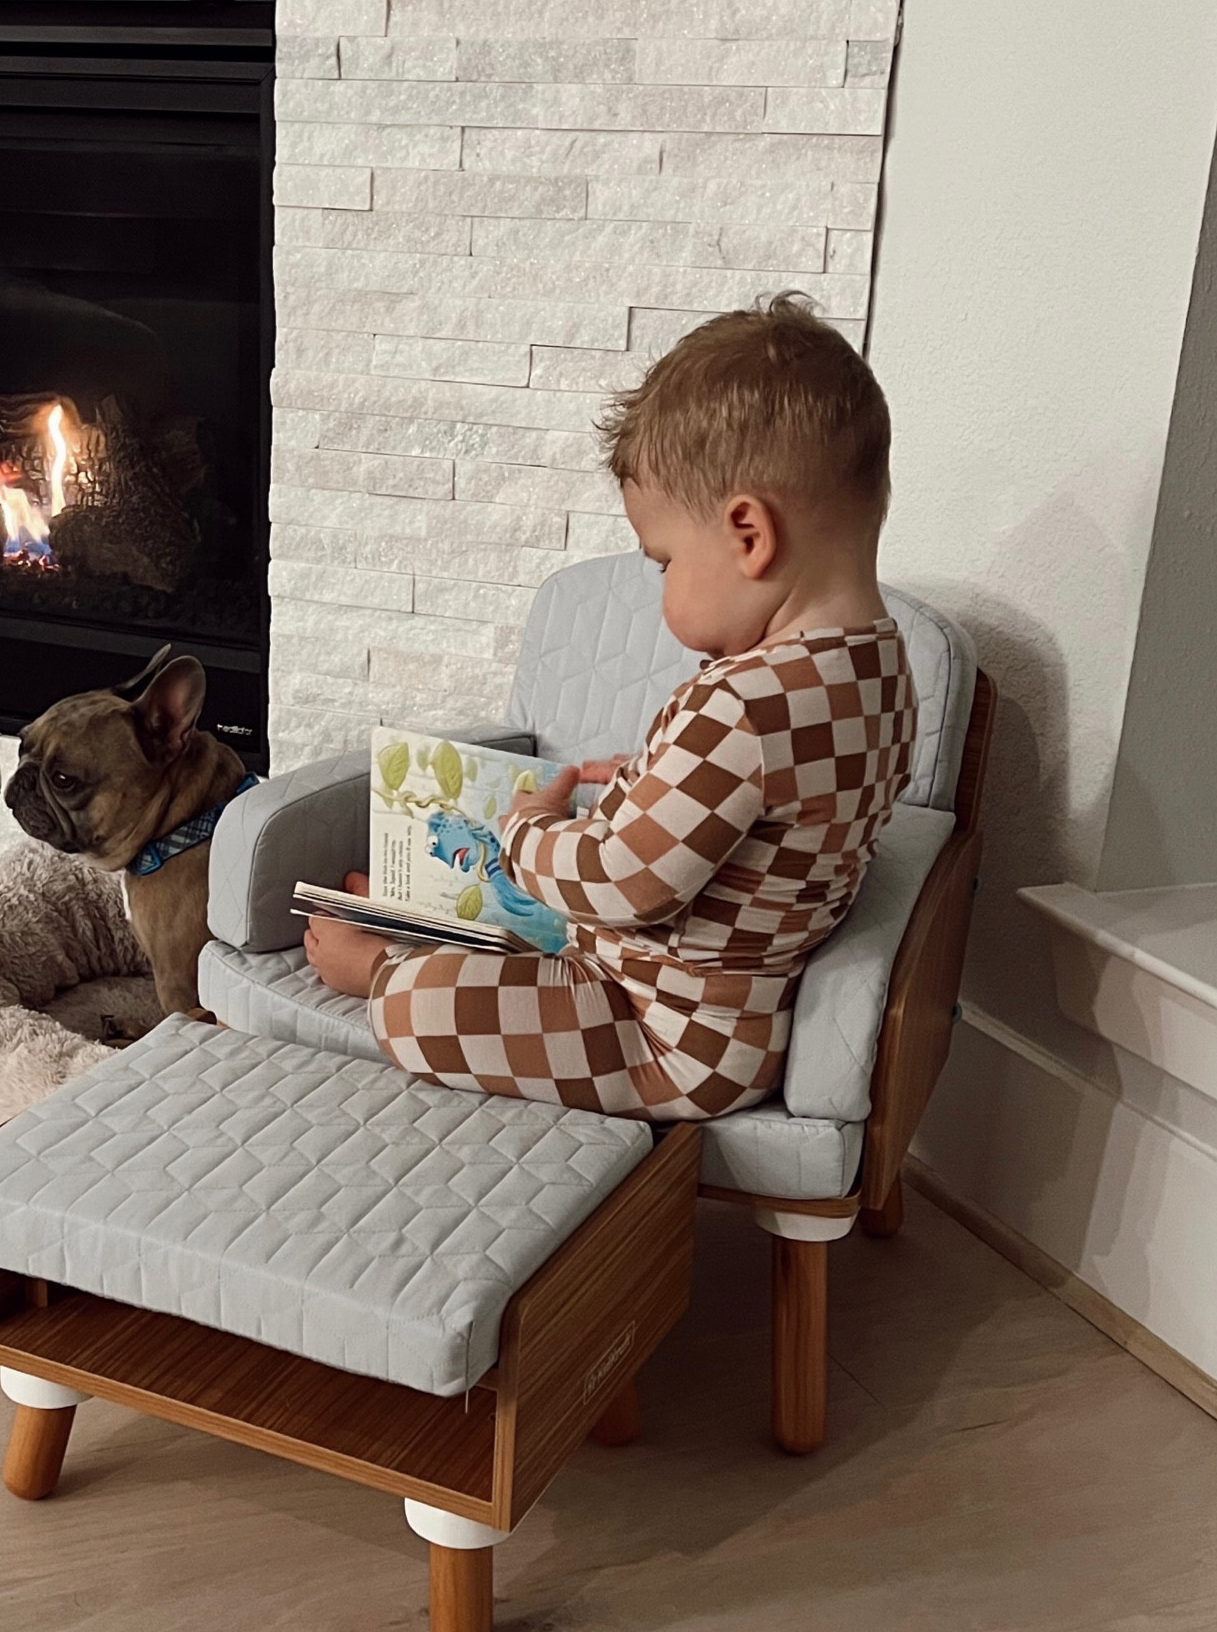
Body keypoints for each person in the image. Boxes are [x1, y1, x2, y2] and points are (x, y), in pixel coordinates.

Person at [303, 294, 918, 1121]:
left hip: (661, 1035)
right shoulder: (880, 671)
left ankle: (377, 966)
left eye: (663, 561)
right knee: (511, 935)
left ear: (748, 535)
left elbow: (622, 884)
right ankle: (426, 918)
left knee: (428, 1004)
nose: (659, 585)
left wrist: (525, 831)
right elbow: (785, 819)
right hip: (717, 1016)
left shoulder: (742, 703)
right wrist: (652, 782)